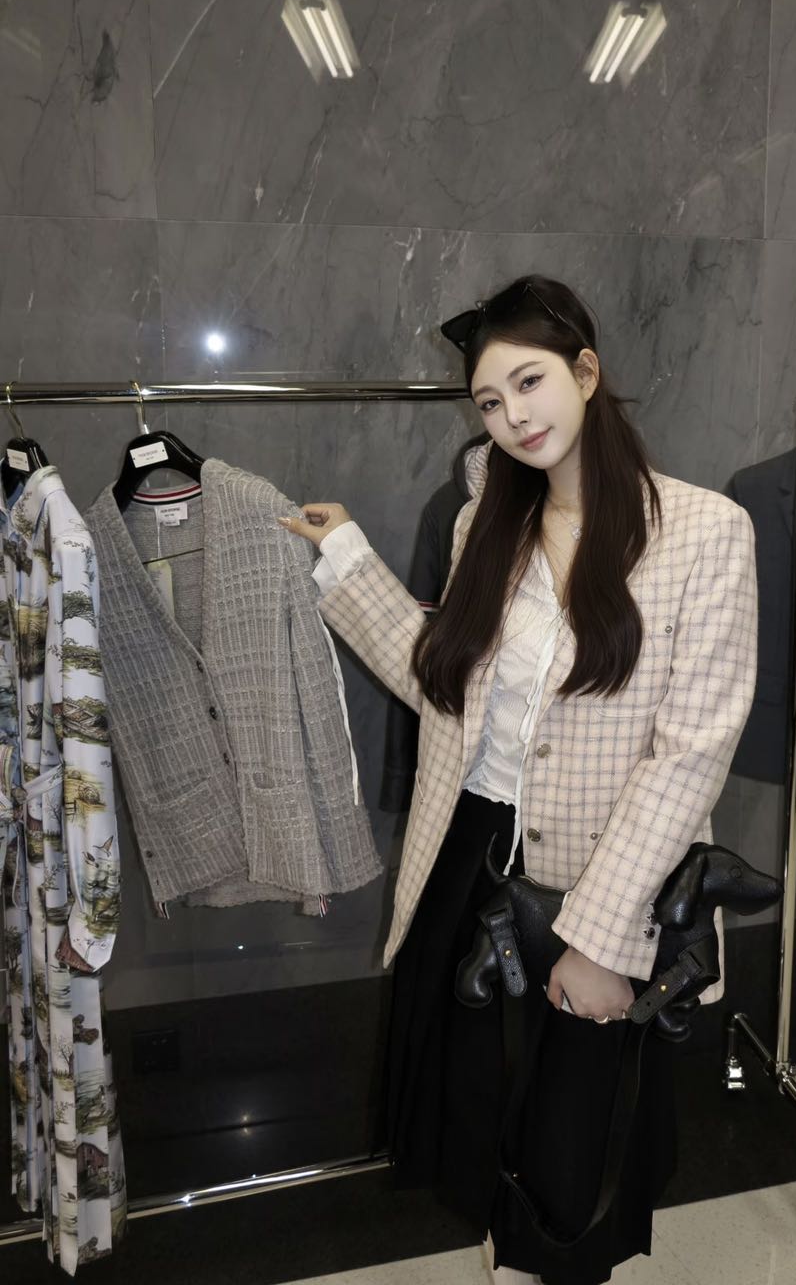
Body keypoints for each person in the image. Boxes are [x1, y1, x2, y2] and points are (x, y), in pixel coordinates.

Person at [277, 275, 758, 1284]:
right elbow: (446, 687)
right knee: (481, 1099)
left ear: (586, 371)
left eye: (529, 382)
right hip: (470, 853)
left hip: (600, 874)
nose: (513, 417)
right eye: (490, 402)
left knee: (578, 1125)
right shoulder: (484, 526)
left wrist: (600, 935)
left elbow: (691, 751)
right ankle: (508, 1251)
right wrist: (347, 559)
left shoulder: (705, 530)